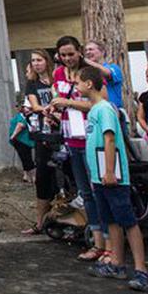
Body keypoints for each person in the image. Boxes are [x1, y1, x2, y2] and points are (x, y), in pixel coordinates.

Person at [78, 65, 148, 292]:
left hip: (112, 176)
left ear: (89, 84)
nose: (77, 87)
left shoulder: (104, 110)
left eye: (78, 82)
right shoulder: (94, 110)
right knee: (110, 221)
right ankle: (117, 263)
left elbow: (109, 139)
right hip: (100, 177)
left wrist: (110, 171)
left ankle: (141, 270)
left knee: (128, 221)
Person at [51, 36, 106, 260]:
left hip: (92, 139)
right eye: (63, 55)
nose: (67, 59)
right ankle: (96, 241)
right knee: (85, 193)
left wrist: (69, 103)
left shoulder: (90, 72)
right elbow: (58, 101)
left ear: (79, 52)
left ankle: (109, 242)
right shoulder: (58, 74)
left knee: (99, 191)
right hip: (71, 138)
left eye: (71, 54)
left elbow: (101, 103)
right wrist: (54, 110)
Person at [22, 48, 57, 236]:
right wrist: (46, 109)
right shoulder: (32, 84)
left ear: (47, 61)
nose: (36, 63)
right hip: (43, 133)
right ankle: (40, 222)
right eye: (33, 60)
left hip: (62, 130)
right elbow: (34, 105)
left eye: (39, 60)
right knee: (42, 176)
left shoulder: (58, 78)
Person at [8, 100, 35, 183]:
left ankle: (33, 176)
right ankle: (26, 175)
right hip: (18, 140)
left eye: (21, 106)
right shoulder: (19, 116)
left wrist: (13, 136)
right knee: (24, 158)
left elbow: (20, 126)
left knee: (27, 158)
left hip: (23, 140)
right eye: (17, 106)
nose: (18, 108)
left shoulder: (25, 117)